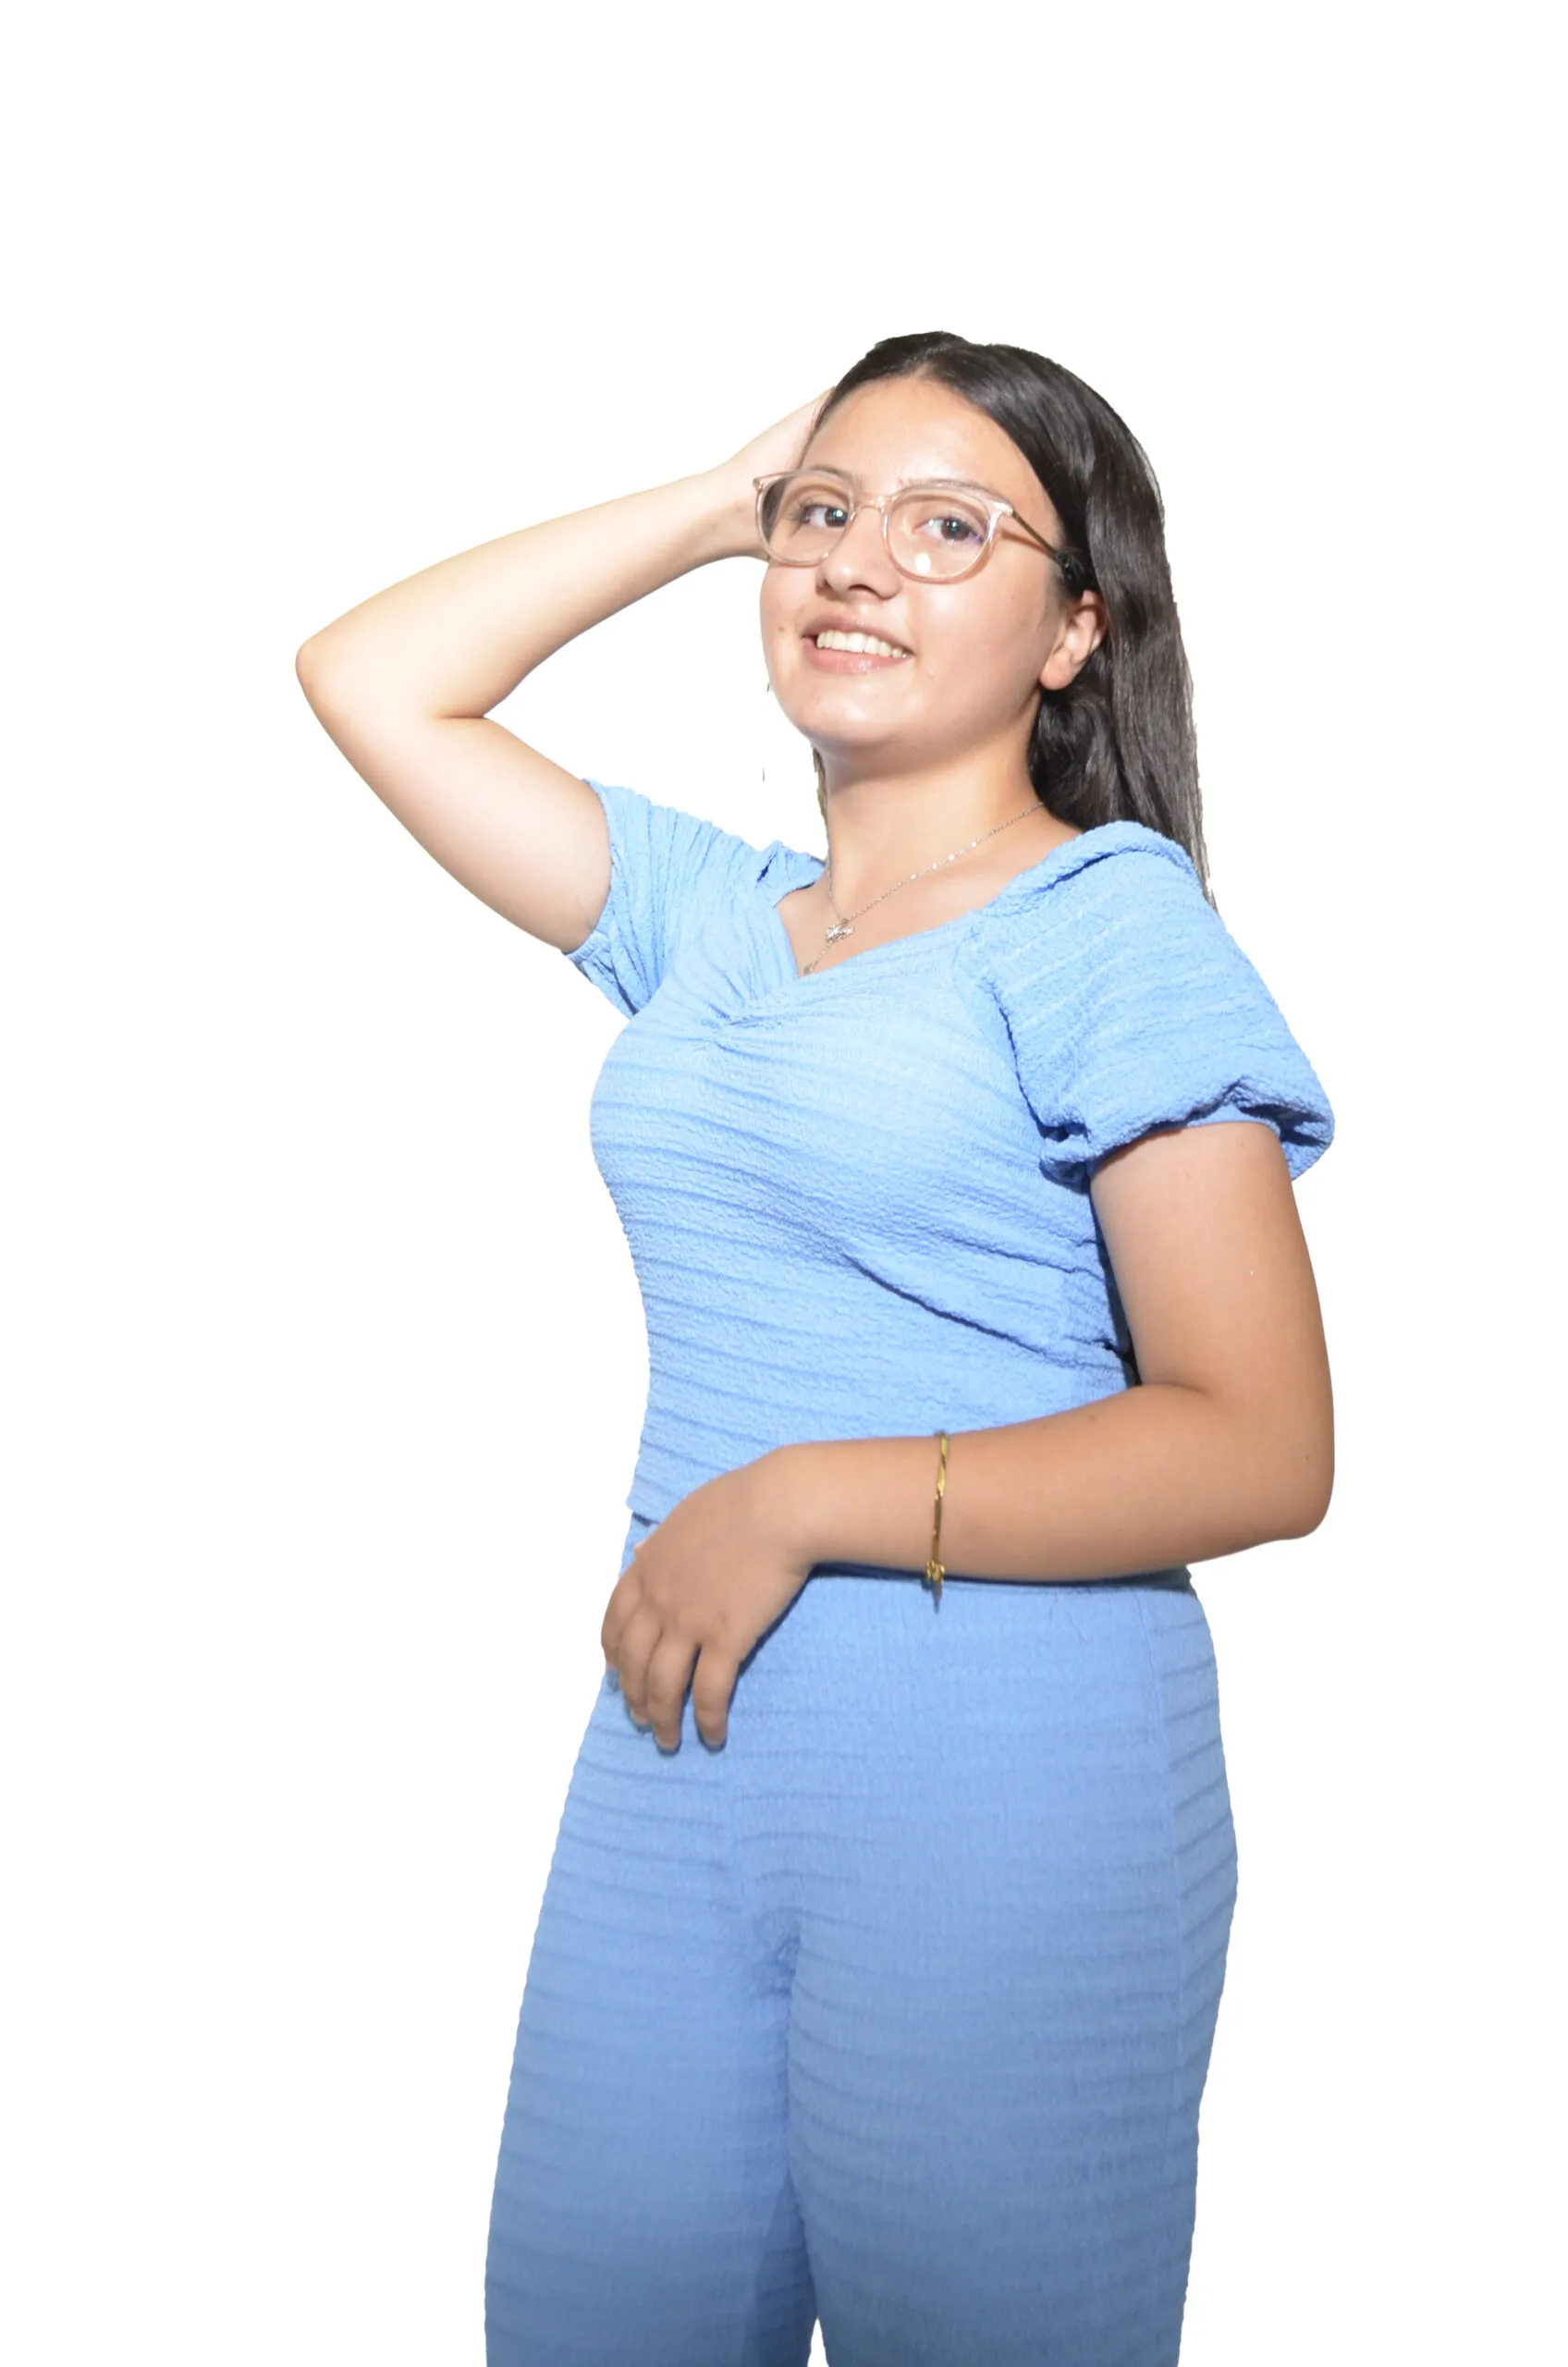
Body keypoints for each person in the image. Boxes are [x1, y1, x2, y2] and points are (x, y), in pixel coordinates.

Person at [295, 330, 1335, 2367]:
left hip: (1003, 1779)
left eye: (951, 531)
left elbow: (1261, 1442)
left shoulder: (1107, 926)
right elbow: (371, 677)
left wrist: (794, 1501)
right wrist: (716, 501)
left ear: (1076, 629)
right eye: (827, 515)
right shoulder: (714, 916)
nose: (857, 562)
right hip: (680, 1755)